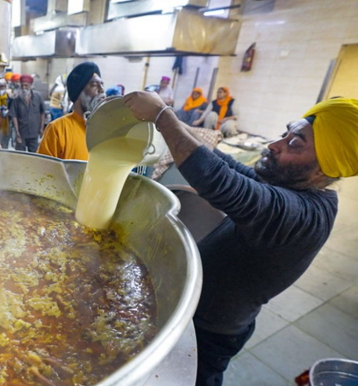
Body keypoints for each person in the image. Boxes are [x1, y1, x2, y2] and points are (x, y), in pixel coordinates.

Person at [124, 92, 358, 386]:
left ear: (327, 166)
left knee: (196, 377)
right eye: (284, 134)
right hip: (206, 312)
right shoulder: (293, 185)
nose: (274, 145)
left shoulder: (301, 215)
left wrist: (162, 116)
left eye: (294, 144)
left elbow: (221, 182)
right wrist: (170, 124)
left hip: (213, 329)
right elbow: (231, 169)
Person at [37, 62, 104, 161]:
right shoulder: (58, 129)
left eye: (102, 84)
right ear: (78, 92)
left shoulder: (105, 129)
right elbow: (42, 171)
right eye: (94, 85)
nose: (102, 90)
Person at [9, 74, 45, 153]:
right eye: (22, 85)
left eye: (26, 85)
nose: (24, 88)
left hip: (34, 133)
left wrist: (41, 129)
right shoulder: (17, 99)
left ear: (31, 85)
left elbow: (42, 113)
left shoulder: (38, 97)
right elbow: (14, 116)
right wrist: (17, 132)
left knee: (35, 156)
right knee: (20, 156)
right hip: (21, 134)